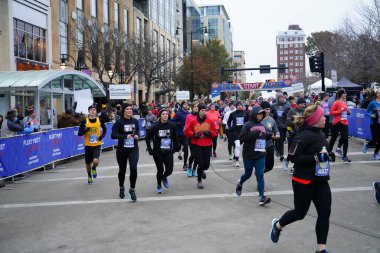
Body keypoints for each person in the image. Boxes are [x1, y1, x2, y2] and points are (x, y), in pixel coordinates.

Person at [269, 105, 336, 253]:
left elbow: (321, 151)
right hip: (303, 181)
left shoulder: (321, 133)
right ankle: (278, 226)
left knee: (325, 213)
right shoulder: (302, 136)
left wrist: (329, 155)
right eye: (323, 116)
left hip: (321, 180)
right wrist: (314, 158)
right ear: (316, 119)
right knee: (300, 213)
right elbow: (293, 157)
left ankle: (321, 250)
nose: (325, 118)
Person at [235, 106, 272, 206]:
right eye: (259, 113)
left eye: (262, 114)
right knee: (248, 174)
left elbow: (263, 136)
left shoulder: (263, 126)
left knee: (260, 174)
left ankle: (261, 197)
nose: (260, 115)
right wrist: (253, 134)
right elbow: (242, 138)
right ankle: (240, 182)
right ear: (254, 114)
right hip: (249, 154)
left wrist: (270, 135)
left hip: (260, 154)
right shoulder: (247, 125)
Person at [184, 103, 218, 189]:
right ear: (198, 111)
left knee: (206, 165)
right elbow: (186, 131)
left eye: (205, 111)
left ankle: (202, 170)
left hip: (207, 145)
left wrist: (209, 133)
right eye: (202, 110)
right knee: (200, 163)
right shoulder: (193, 121)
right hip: (196, 145)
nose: (203, 112)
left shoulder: (210, 120)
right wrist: (193, 134)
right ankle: (199, 181)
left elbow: (215, 132)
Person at [111, 103, 139, 201]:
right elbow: (113, 135)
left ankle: (132, 189)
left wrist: (136, 136)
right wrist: (124, 136)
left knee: (133, 168)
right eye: (128, 109)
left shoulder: (135, 121)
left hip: (133, 149)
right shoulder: (119, 122)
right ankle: (121, 187)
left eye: (131, 109)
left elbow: (137, 132)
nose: (130, 110)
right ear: (123, 111)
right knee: (122, 170)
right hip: (122, 149)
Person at [146, 109, 177, 194]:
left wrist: (175, 148)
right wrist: (150, 149)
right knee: (160, 169)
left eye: (167, 114)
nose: (166, 115)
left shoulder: (172, 126)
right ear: (160, 116)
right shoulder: (155, 126)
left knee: (169, 170)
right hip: (158, 152)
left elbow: (175, 138)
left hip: (168, 151)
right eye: (163, 114)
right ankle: (159, 185)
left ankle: (164, 177)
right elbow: (147, 138)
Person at [78, 105, 107, 185]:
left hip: (97, 144)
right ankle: (89, 175)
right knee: (88, 163)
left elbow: (105, 129)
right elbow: (79, 134)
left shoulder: (99, 120)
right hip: (88, 145)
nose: (93, 111)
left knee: (95, 160)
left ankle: (94, 168)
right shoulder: (84, 121)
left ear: (96, 111)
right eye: (91, 110)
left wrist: (102, 136)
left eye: (94, 110)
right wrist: (85, 130)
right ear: (88, 111)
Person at [283, 98, 306, 172]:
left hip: (302, 133)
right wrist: (297, 121)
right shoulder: (292, 111)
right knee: (292, 150)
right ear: (298, 104)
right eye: (301, 104)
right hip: (293, 133)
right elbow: (287, 122)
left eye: (304, 104)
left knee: (299, 151)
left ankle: (294, 168)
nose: (303, 105)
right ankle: (287, 160)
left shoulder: (305, 111)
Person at [329, 89, 351, 162]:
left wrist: (348, 112)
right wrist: (339, 111)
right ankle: (328, 153)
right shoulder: (336, 102)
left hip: (344, 122)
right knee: (333, 139)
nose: (346, 95)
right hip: (337, 122)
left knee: (345, 139)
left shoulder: (345, 103)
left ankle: (344, 156)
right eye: (344, 93)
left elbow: (346, 112)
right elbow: (331, 112)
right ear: (341, 94)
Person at [271, 93, 292, 162]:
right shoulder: (274, 105)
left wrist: (287, 114)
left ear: (284, 98)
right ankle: (281, 155)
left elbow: (292, 113)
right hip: (278, 125)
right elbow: (270, 114)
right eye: (280, 98)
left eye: (282, 97)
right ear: (278, 98)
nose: (281, 99)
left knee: (287, 139)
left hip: (287, 125)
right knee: (280, 140)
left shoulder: (288, 105)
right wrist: (273, 115)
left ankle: (289, 154)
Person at [227, 101, 249, 167]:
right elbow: (228, 122)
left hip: (244, 132)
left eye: (240, 105)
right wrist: (230, 128)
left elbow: (249, 122)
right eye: (238, 105)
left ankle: (246, 159)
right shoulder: (233, 114)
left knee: (246, 147)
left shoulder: (246, 113)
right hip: (235, 132)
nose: (239, 106)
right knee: (237, 146)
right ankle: (237, 160)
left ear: (242, 106)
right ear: (236, 106)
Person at [261, 101, 279, 173]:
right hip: (260, 146)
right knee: (261, 164)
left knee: (270, 166)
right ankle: (260, 175)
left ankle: (259, 173)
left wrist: (277, 135)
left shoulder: (271, 120)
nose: (268, 111)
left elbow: (277, 132)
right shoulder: (257, 119)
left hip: (270, 145)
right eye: (266, 109)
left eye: (269, 109)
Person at [170, 101, 190, 170]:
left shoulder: (188, 113)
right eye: (184, 104)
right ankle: (168, 160)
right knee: (175, 149)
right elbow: (172, 121)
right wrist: (179, 123)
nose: (186, 105)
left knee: (186, 149)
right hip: (178, 134)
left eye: (187, 104)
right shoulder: (178, 113)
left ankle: (184, 165)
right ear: (182, 106)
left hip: (185, 135)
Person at [365, 90, 380, 159]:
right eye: (379, 93)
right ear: (376, 94)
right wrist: (371, 115)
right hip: (374, 123)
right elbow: (366, 112)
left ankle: (375, 154)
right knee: (375, 139)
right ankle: (367, 145)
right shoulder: (373, 103)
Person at [185, 103, 199, 177]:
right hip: (192, 137)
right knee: (193, 154)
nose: (196, 108)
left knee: (198, 155)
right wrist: (193, 133)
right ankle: (189, 167)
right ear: (192, 108)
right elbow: (187, 127)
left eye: (197, 107)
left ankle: (194, 169)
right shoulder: (188, 116)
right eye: (195, 107)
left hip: (200, 138)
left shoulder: (200, 116)